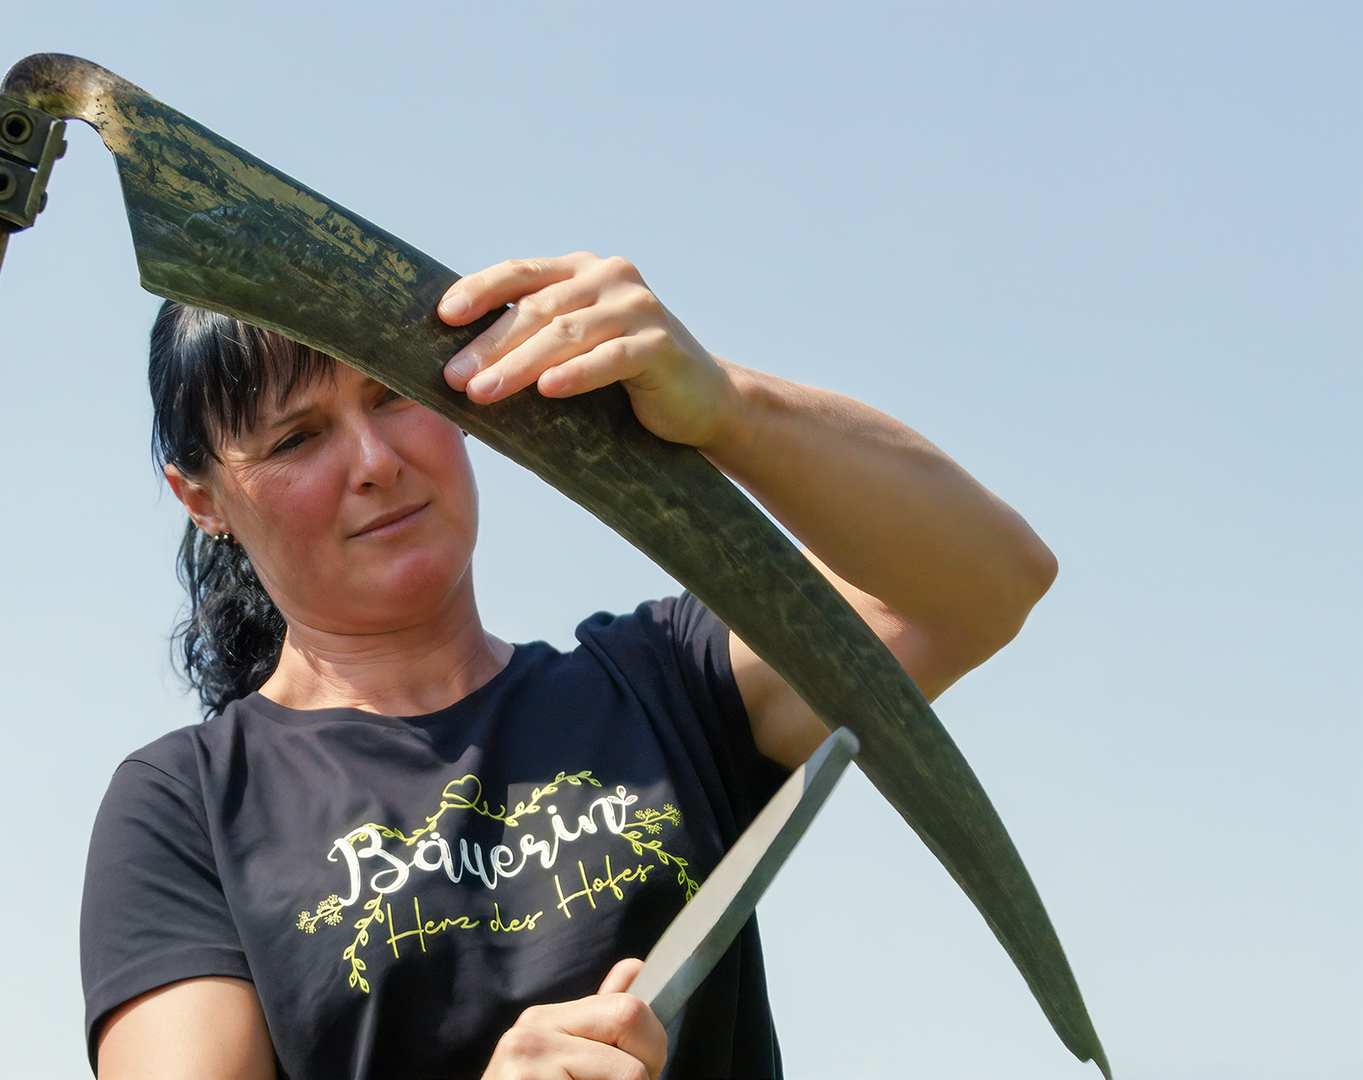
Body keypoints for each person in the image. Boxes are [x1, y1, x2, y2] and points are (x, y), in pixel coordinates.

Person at [80, 254, 1057, 1079]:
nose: (375, 459)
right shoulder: (187, 808)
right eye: (298, 438)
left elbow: (982, 585)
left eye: (393, 393)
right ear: (201, 497)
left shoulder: (662, 681)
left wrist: (726, 408)